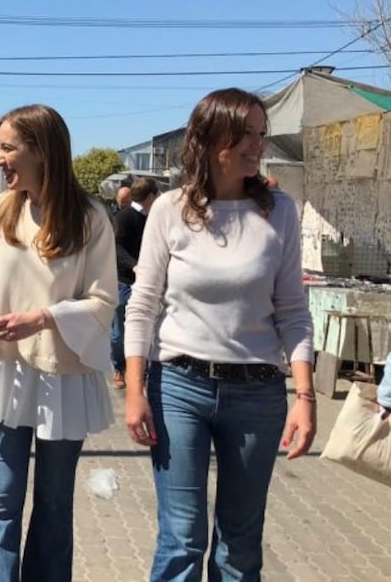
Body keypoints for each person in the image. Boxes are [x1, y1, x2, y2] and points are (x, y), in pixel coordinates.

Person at [123, 88, 316, 582]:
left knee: (240, 543)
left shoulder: (280, 213)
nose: (258, 145)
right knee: (182, 537)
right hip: (180, 388)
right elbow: (143, 305)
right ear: (211, 140)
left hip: (258, 394)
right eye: (245, 134)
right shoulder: (170, 209)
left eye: (261, 134)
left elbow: (293, 310)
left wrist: (305, 396)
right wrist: (134, 389)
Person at [0, 104, 117, 581]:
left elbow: (104, 301)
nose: (0, 159)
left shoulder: (90, 218)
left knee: (52, 506)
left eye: (8, 148)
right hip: (3, 371)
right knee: (0, 503)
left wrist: (43, 318)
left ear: (42, 151)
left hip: (61, 378)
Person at [109, 177, 160, 389]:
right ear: (151, 196)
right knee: (119, 330)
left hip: (149, 282)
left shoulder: (156, 218)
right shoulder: (124, 217)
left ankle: (142, 373)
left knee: (148, 328)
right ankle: (120, 368)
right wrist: (134, 266)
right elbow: (117, 247)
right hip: (124, 281)